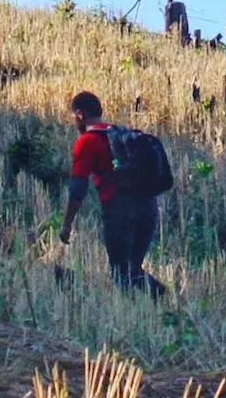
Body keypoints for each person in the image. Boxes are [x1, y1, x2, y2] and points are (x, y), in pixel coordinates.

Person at [58, 92, 168, 299]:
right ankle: (161, 300)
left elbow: (78, 187)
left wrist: (67, 224)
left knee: (121, 273)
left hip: (120, 212)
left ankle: (133, 318)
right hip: (148, 208)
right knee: (132, 270)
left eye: (73, 116)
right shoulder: (122, 135)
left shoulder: (87, 141)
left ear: (80, 114)